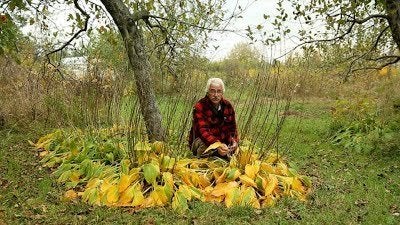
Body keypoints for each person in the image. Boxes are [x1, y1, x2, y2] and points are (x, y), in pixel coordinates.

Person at [189, 78, 238, 158]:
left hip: (221, 143)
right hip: (203, 142)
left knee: (236, 151)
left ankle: (221, 156)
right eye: (212, 91)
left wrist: (234, 141)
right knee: (204, 144)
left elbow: (233, 128)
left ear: (222, 93)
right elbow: (203, 132)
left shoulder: (227, 105)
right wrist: (217, 145)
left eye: (219, 91)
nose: (216, 95)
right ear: (207, 92)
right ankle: (201, 163)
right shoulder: (200, 106)